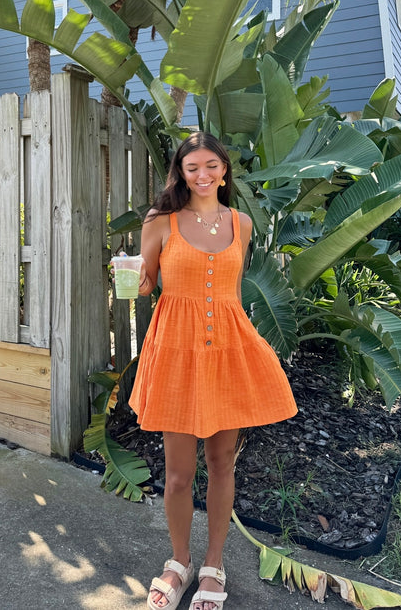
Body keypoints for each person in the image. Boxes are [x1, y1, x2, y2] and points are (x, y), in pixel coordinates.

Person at [128, 132, 297, 610]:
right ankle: (178, 562)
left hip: (226, 351)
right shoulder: (160, 222)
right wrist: (132, 278)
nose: (202, 176)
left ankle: (213, 565)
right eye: (191, 168)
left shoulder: (241, 223)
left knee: (223, 464)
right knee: (178, 474)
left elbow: (231, 291)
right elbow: (146, 287)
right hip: (176, 355)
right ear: (180, 174)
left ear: (224, 169)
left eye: (211, 166)